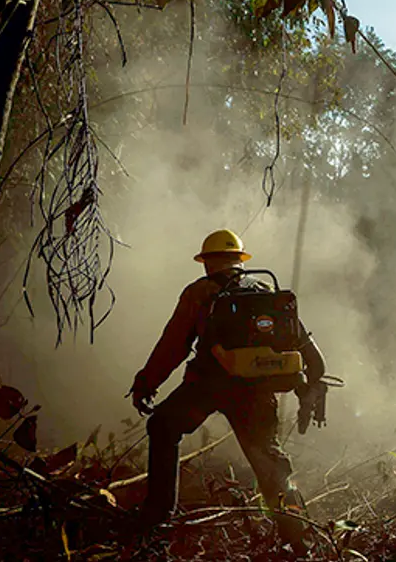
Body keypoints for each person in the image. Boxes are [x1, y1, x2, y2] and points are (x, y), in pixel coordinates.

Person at [127, 229, 326, 554]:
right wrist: (311, 383)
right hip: (256, 392)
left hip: (207, 388)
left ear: (207, 262)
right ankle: (299, 540)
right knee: (269, 462)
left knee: (163, 426)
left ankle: (158, 515)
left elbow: (174, 345)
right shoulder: (265, 291)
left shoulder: (199, 292)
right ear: (239, 261)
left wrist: (147, 382)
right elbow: (304, 346)